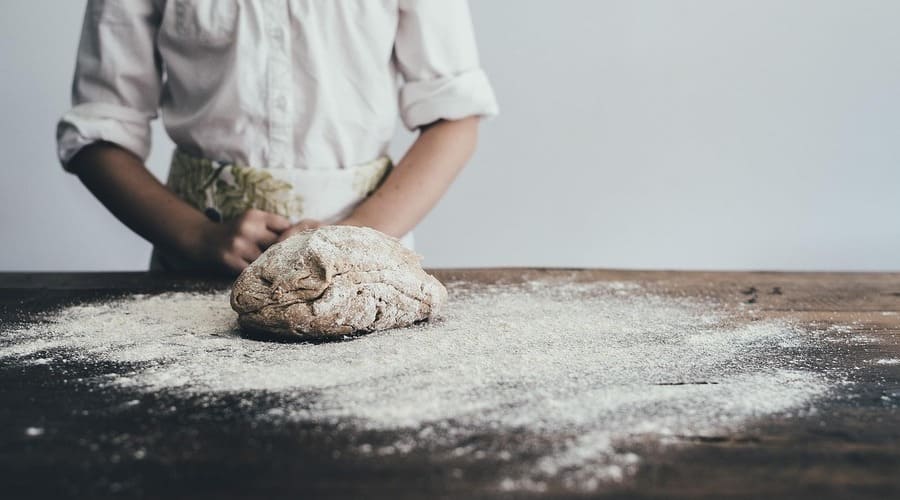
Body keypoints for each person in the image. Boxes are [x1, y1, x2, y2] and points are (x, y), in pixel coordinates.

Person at [57, 1, 498, 275]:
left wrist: (351, 240)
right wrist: (198, 237)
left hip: (366, 268)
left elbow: (454, 118)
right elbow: (98, 132)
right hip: (195, 270)